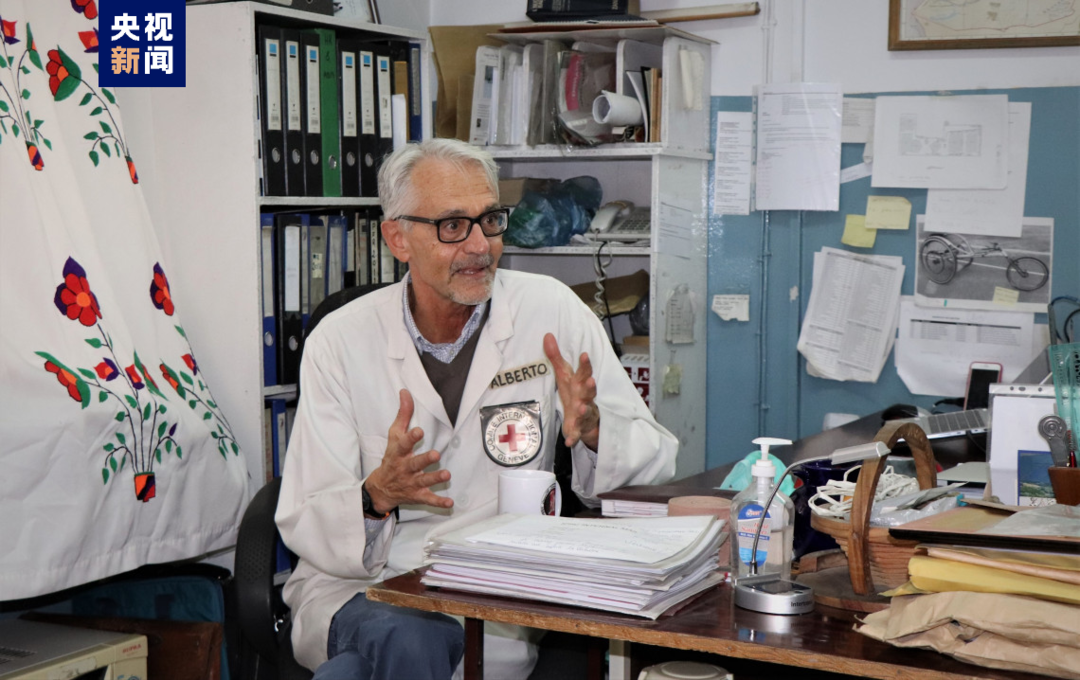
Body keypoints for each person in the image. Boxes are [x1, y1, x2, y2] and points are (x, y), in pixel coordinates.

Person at [275, 138, 678, 679]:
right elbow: (305, 513)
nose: (479, 246)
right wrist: (376, 496)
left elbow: (656, 463)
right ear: (397, 238)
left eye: (489, 220)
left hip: (494, 589)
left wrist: (595, 430)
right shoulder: (340, 340)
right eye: (452, 226)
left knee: (351, 673)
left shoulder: (550, 310)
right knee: (408, 635)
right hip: (361, 586)